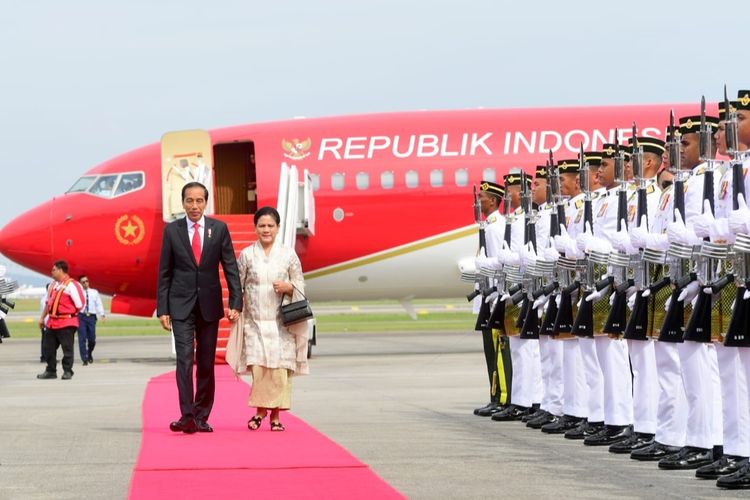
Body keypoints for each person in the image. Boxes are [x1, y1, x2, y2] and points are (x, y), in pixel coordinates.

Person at [157, 181, 242, 434]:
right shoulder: (172, 231)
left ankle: (202, 415)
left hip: (209, 305)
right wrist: (163, 309)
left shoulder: (218, 229)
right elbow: (164, 273)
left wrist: (235, 301)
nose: (194, 206)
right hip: (180, 306)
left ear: (206, 203)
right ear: (182, 203)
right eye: (189, 201)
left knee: (205, 362)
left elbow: (231, 268)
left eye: (199, 201)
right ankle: (187, 416)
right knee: (184, 361)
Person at [235, 207, 308, 432]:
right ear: (255, 228)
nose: (266, 230)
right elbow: (238, 285)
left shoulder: (288, 255)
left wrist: (289, 287)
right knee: (259, 369)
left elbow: (301, 284)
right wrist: (234, 309)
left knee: (279, 370)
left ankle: (273, 416)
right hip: (254, 322)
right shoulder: (247, 254)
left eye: (270, 226)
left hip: (280, 324)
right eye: (261, 226)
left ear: (277, 228)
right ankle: (260, 410)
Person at [37, 260, 85, 380]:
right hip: (52, 322)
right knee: (48, 348)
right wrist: (42, 318)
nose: (51, 272)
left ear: (60, 270)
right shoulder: (52, 285)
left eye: (53, 270)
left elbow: (80, 304)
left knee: (67, 349)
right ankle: (51, 371)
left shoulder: (72, 285)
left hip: (66, 322)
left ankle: (67, 371)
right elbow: (48, 304)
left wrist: (69, 314)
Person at [77, 275, 105, 365]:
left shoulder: (94, 292)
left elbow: (99, 304)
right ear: (80, 284)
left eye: (87, 281)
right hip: (81, 316)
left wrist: (102, 314)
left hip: (91, 317)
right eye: (83, 282)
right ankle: (84, 359)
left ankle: (89, 353)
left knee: (92, 339)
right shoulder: (78, 293)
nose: (86, 283)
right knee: (82, 338)